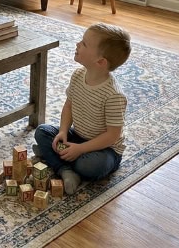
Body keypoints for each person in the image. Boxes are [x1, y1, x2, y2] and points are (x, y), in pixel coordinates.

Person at [33, 22, 131, 196]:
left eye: (84, 43)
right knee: (42, 131)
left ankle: (54, 157)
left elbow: (112, 136)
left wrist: (80, 149)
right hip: (78, 136)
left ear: (100, 61)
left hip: (104, 149)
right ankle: (65, 169)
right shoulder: (78, 75)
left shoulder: (114, 95)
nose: (78, 44)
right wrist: (63, 131)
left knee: (90, 166)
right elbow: (69, 105)